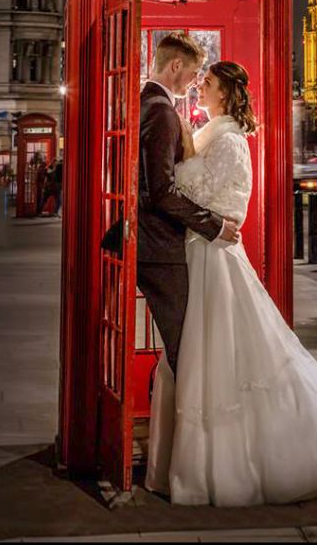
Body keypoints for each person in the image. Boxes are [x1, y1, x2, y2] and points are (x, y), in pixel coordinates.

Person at [146, 59, 317, 506]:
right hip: (198, 252)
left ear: (227, 93)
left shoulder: (230, 140)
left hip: (213, 256)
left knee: (215, 360)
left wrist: (166, 169)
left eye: (207, 83)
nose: (200, 89)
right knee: (200, 359)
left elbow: (199, 194)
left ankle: (232, 468)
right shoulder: (213, 133)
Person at [137, 33, 240, 380]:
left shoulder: (147, 104)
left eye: (204, 79)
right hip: (160, 246)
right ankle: (195, 427)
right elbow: (162, 191)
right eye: (195, 73)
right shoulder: (161, 112)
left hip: (152, 242)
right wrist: (214, 225)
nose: (196, 82)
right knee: (186, 350)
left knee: (187, 347)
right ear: (176, 65)